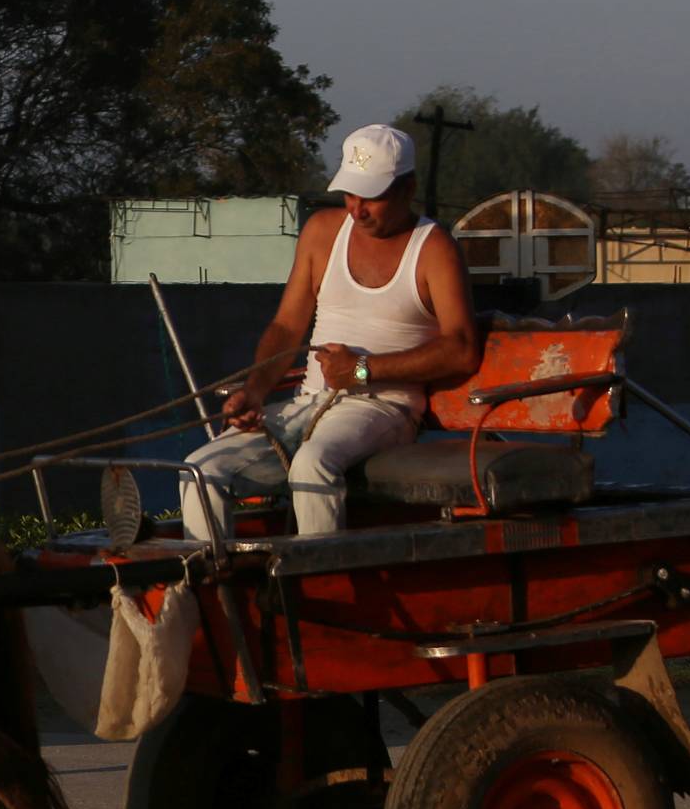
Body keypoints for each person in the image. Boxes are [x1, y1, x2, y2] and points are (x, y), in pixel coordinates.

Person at [179, 124, 482, 545]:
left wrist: (361, 371)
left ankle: (319, 580)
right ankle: (209, 590)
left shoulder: (433, 248)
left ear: (407, 188)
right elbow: (286, 326)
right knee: (201, 469)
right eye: (350, 193)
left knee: (311, 463)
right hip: (312, 403)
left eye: (372, 196)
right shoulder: (323, 232)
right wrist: (255, 390)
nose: (357, 209)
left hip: (386, 409)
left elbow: (462, 350)